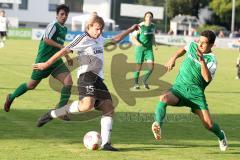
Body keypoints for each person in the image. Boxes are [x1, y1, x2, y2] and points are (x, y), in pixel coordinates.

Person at [32, 15, 139, 151]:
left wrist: (130, 29)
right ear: (89, 27)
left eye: (101, 29)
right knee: (87, 105)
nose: (99, 32)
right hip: (86, 76)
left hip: (98, 79)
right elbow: (64, 51)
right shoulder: (82, 39)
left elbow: (115, 39)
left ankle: (106, 143)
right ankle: (54, 113)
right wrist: (46, 64)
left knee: (109, 108)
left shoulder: (100, 39)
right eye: (97, 29)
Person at [151, 30, 228, 151]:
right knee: (163, 97)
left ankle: (221, 136)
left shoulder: (212, 60)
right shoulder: (193, 45)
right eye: (200, 41)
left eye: (204, 43)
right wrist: (173, 58)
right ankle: (158, 126)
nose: (200, 45)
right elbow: (182, 49)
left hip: (195, 96)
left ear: (212, 45)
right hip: (179, 89)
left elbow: (207, 78)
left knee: (208, 124)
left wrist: (202, 60)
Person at [4, 4, 73, 114]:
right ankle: (11, 97)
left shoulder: (64, 29)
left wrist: (67, 56)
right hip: (43, 61)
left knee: (68, 82)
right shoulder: (53, 25)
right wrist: (61, 47)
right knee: (31, 85)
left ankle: (61, 111)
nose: (64, 16)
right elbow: (46, 40)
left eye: (66, 15)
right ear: (57, 15)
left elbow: (61, 44)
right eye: (62, 14)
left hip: (56, 62)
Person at [131, 11, 156, 89]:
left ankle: (144, 81)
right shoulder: (140, 26)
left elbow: (153, 36)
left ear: (152, 18)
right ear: (145, 17)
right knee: (138, 67)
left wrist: (155, 44)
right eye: (147, 16)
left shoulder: (153, 26)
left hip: (149, 49)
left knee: (151, 67)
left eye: (150, 17)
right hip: (140, 49)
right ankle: (136, 83)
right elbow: (133, 37)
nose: (149, 18)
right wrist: (138, 43)